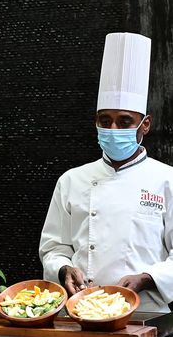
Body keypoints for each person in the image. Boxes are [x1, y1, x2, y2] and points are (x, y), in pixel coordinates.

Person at [39, 32, 173, 312]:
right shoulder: (72, 180)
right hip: (80, 309)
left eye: (124, 121)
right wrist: (63, 269)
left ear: (145, 124)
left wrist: (147, 278)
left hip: (146, 313)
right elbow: (53, 248)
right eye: (105, 120)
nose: (113, 129)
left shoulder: (166, 180)